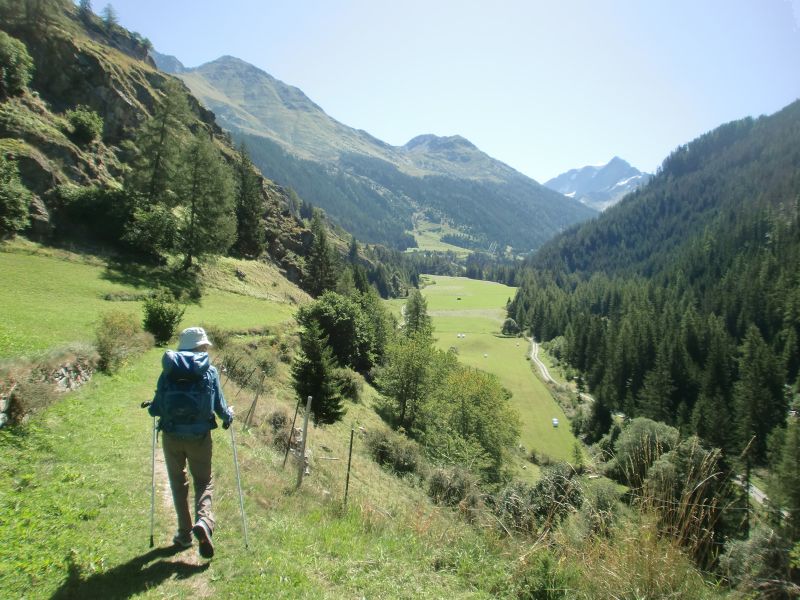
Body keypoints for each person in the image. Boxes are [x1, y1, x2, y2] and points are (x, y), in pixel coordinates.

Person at [148, 326, 233, 559]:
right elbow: (220, 407)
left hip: (171, 435)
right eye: (205, 345)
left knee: (178, 482)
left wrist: (153, 409)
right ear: (201, 347)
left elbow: (155, 408)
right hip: (199, 437)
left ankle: (184, 534)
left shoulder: (167, 372)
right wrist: (228, 417)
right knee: (204, 481)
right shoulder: (210, 372)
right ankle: (204, 522)